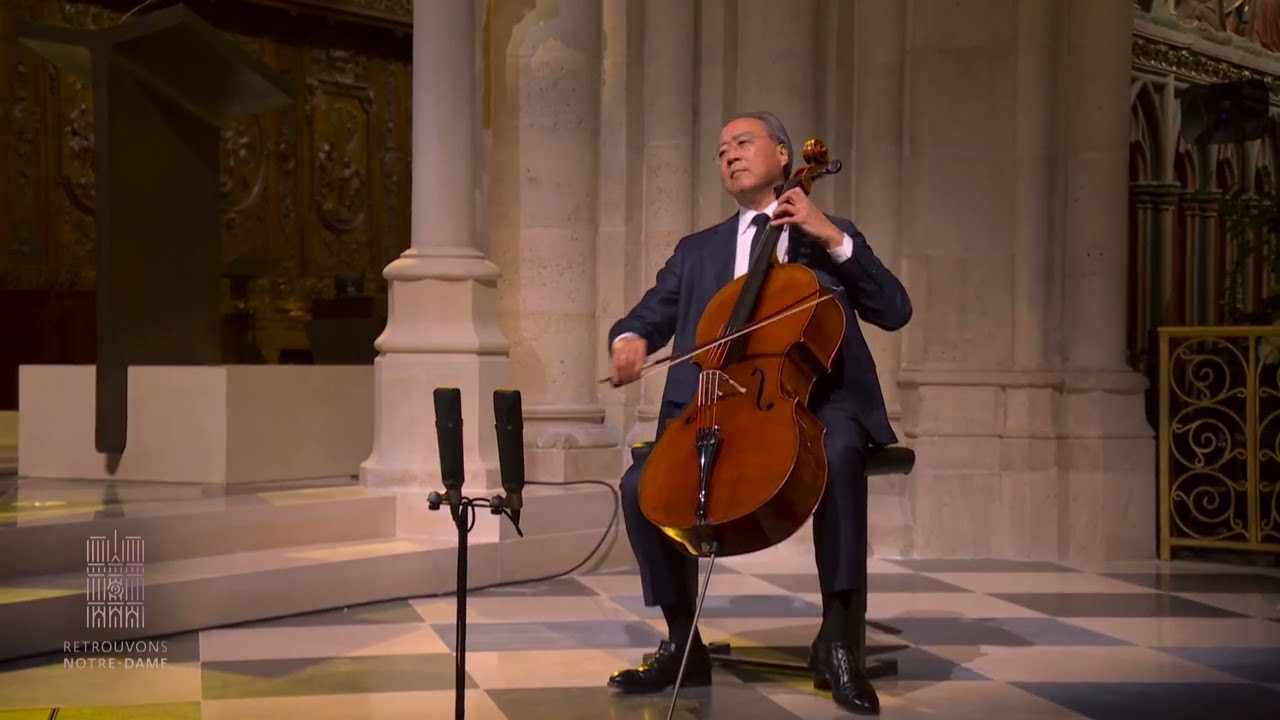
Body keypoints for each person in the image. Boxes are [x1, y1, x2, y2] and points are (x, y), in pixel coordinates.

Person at [603, 111, 912, 716]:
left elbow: (894, 309)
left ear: (781, 154)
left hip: (817, 402)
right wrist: (629, 339)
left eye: (743, 144)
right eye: (721, 151)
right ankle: (682, 640)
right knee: (640, 486)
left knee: (841, 455)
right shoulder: (698, 251)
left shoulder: (829, 234)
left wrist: (829, 235)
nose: (730, 157)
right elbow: (648, 314)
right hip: (716, 406)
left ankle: (840, 643)